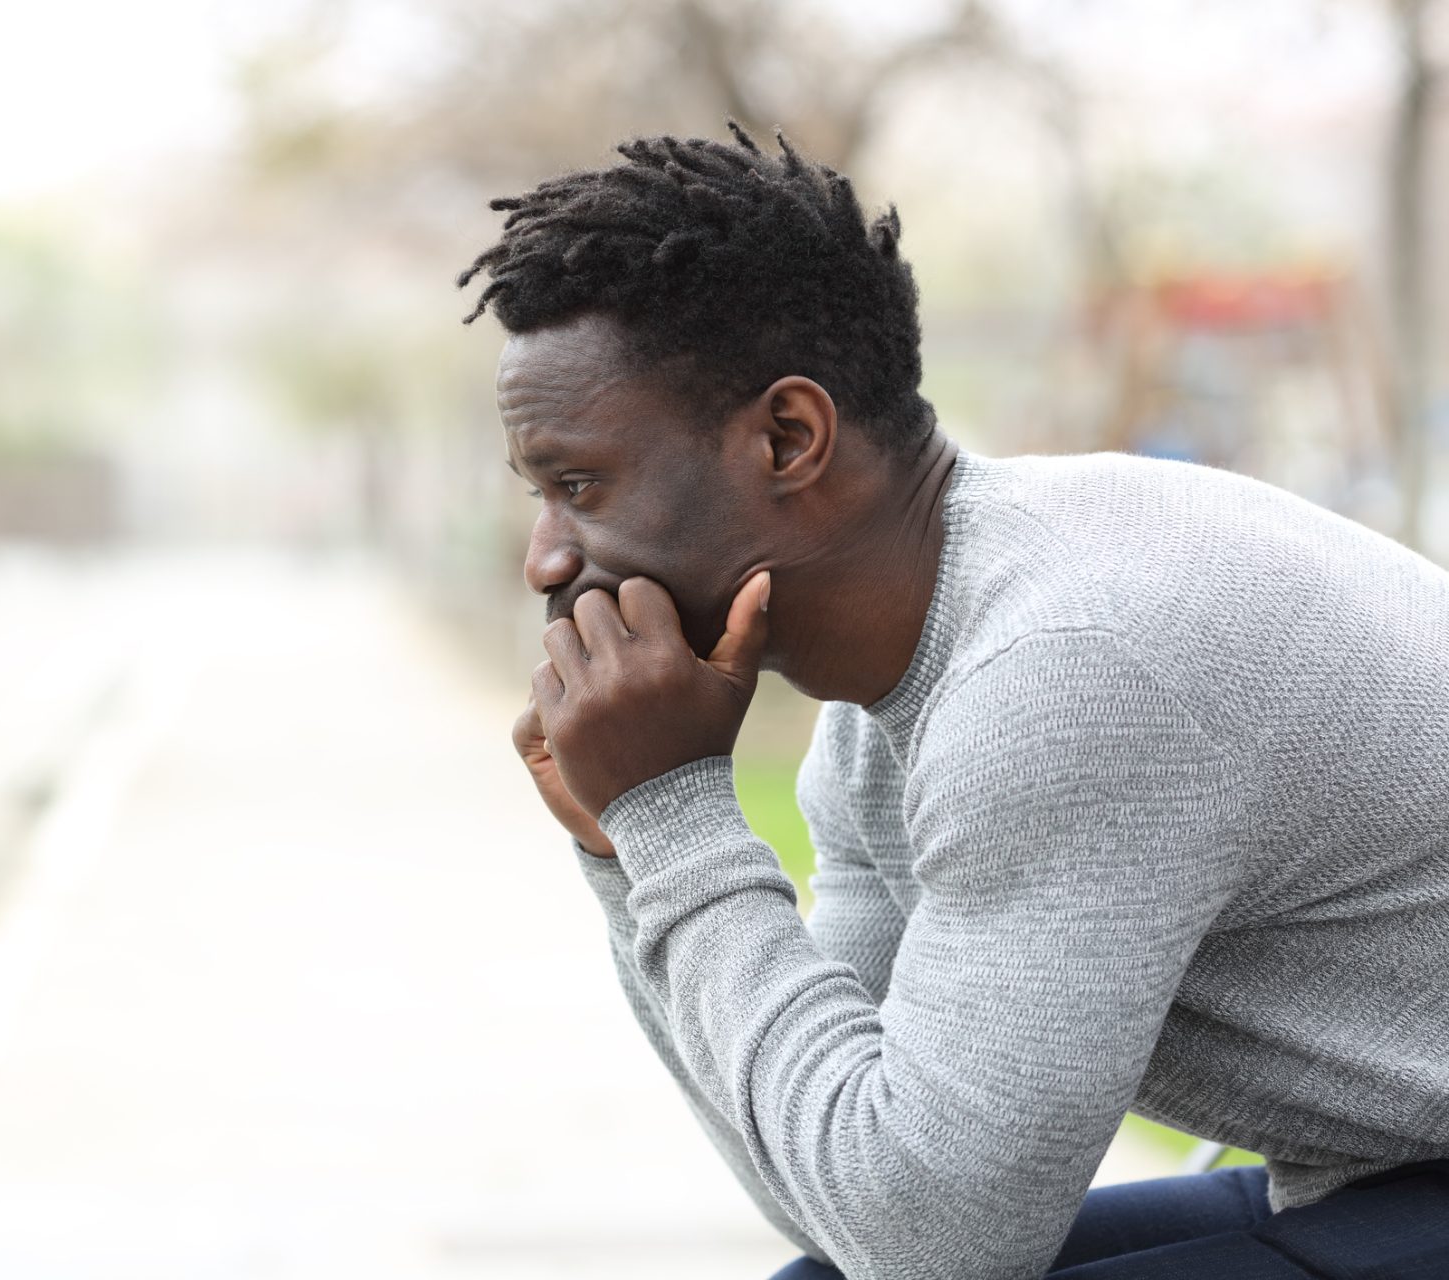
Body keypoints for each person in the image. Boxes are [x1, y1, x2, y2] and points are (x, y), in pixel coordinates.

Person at [457, 123, 1449, 1279]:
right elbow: (840, 1183)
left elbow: (935, 1240)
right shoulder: (885, 712)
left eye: (580, 485)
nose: (544, 558)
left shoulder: (1065, 670)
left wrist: (678, 821)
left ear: (790, 436)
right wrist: (631, 854)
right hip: (1387, 1174)